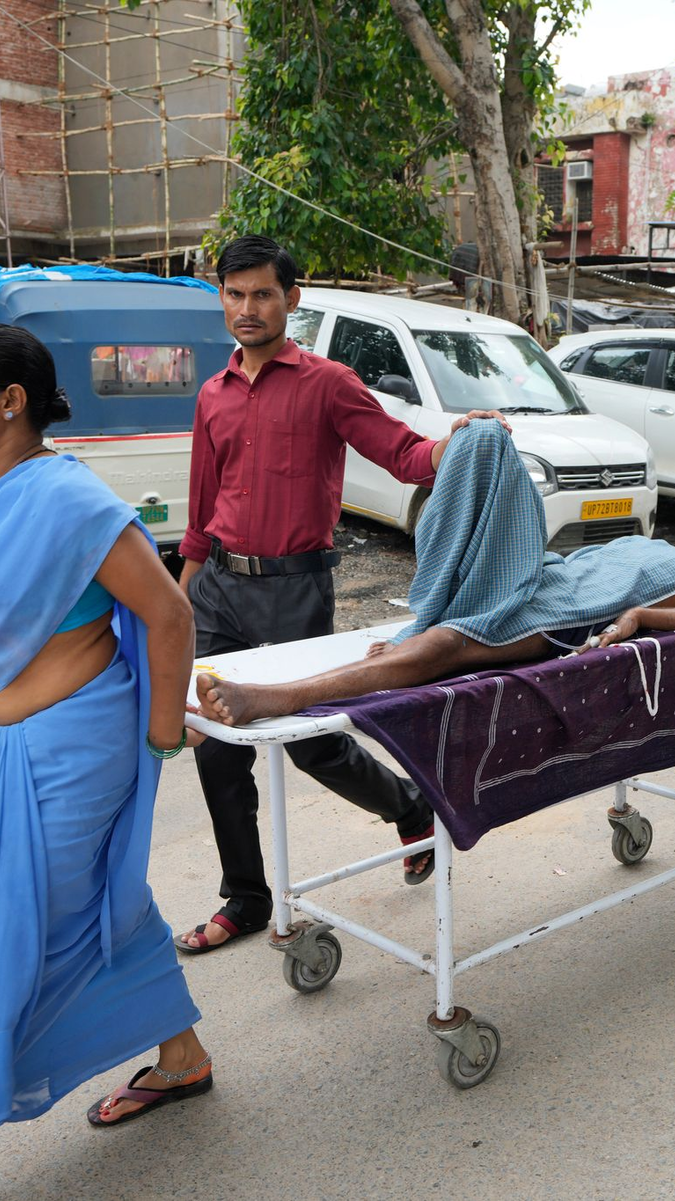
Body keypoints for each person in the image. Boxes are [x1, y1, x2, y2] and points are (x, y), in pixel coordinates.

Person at [176, 235, 508, 954]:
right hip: (219, 591)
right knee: (215, 747)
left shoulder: (327, 382)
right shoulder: (213, 393)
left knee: (313, 745)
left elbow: (402, 452)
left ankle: (411, 803)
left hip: (294, 592)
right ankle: (246, 897)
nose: (247, 308)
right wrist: (183, 600)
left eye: (262, 293)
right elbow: (200, 509)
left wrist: (456, 442)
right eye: (234, 294)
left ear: (291, 299)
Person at [0, 325, 212, 1197]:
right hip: (6, 752)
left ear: (10, 400)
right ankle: (180, 1054)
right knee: (101, 905)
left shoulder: (67, 498)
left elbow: (169, 615)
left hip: (67, 754)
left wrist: (164, 736)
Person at [189, 419, 675, 728]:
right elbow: (591, 564)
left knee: (443, 647)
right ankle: (438, 604)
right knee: (483, 441)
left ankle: (273, 699)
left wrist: (642, 616)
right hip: (544, 577)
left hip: (555, 613)